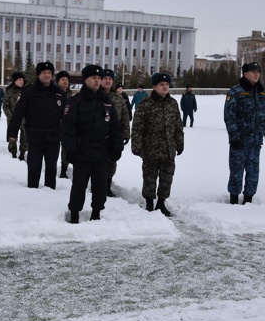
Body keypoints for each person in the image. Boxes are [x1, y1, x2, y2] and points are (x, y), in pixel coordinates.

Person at [61, 64, 123, 223]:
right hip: (82, 151)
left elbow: (115, 126)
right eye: (93, 78)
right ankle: (74, 213)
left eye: (99, 78)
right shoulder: (75, 101)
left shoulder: (106, 101)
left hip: (101, 151)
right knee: (79, 186)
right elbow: (68, 128)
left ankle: (97, 212)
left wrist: (117, 147)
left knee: (100, 186)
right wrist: (70, 150)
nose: (97, 81)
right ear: (85, 80)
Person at [131, 72, 183, 215]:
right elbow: (137, 127)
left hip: (168, 149)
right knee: (149, 178)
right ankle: (149, 204)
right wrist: (136, 146)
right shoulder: (145, 105)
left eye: (167, 84)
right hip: (150, 149)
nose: (165, 87)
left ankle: (161, 203)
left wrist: (180, 143)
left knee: (167, 178)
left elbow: (178, 126)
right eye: (162, 84)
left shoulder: (172, 103)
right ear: (154, 86)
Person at [7, 62, 66, 189]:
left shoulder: (59, 93)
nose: (47, 75)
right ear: (38, 75)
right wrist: (12, 133)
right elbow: (18, 113)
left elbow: (66, 117)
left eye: (49, 72)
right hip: (35, 136)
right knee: (34, 167)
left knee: (51, 167)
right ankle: (32, 193)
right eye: (44, 72)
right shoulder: (29, 91)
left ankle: (50, 193)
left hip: (54, 137)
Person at [223, 62, 265, 205]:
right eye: (253, 71)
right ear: (245, 74)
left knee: (253, 172)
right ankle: (233, 198)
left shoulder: (262, 92)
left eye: (258, 71)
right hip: (239, 140)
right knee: (236, 171)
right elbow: (229, 116)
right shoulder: (236, 91)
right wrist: (234, 136)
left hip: (255, 141)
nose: (256, 74)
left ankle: (248, 199)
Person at [100, 69, 131, 197]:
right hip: (98, 136)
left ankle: (107, 185)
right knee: (98, 162)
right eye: (105, 78)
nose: (108, 81)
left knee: (112, 162)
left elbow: (125, 116)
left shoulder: (118, 97)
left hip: (113, 136)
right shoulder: (95, 94)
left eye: (110, 79)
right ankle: (98, 185)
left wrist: (126, 134)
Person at [3, 72, 27, 160]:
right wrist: (10, 116)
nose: (21, 82)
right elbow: (5, 105)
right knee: (12, 137)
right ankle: (13, 153)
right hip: (13, 118)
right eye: (19, 80)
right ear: (15, 81)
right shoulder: (9, 91)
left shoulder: (26, 91)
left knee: (24, 137)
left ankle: (22, 153)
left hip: (24, 119)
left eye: (22, 80)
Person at [55, 71, 73, 179]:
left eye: (67, 80)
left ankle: (64, 170)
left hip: (68, 127)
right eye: (63, 79)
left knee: (66, 149)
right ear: (58, 82)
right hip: (55, 126)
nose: (65, 81)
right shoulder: (54, 93)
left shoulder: (71, 96)